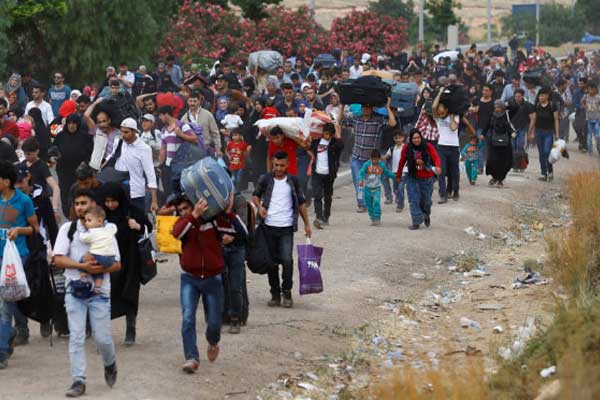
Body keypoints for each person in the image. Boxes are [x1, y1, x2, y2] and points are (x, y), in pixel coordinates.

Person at [53, 188, 120, 397]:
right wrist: (83, 268)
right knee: (77, 336)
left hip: (100, 292)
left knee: (102, 338)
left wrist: (99, 269)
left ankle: (109, 363)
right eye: (77, 203)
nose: (80, 207)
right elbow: (58, 258)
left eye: (84, 203)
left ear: (93, 204)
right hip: (74, 291)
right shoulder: (68, 229)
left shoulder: (106, 230)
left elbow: (117, 264)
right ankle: (78, 381)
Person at [170, 195, 244, 373]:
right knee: (188, 318)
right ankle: (191, 358)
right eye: (180, 210)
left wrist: (229, 214)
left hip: (213, 278)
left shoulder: (214, 221)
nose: (183, 212)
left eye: (186, 208)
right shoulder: (184, 224)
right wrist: (192, 216)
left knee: (214, 321)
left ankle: (213, 342)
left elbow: (242, 233)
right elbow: (176, 233)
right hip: (189, 278)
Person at [253, 151, 311, 308]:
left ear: (287, 165)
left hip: (286, 228)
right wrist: (259, 207)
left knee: (286, 260)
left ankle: (287, 292)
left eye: (282, 165)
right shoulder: (265, 179)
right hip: (268, 227)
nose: (278, 168)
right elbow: (255, 195)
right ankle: (275, 294)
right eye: (276, 165)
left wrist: (307, 224)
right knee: (271, 263)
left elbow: (301, 202)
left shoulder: (293, 181)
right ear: (272, 163)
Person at [101, 183, 151, 346]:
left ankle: (131, 328)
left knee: (130, 294)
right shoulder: (102, 214)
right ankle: (103, 333)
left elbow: (148, 227)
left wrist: (138, 226)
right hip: (109, 261)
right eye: (107, 201)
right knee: (107, 295)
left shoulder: (132, 211)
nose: (110, 205)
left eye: (113, 201)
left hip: (131, 260)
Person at [339, 97, 396, 212]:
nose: (366, 109)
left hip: (372, 160)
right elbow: (340, 121)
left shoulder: (378, 120)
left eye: (368, 107)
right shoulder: (356, 118)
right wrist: (342, 105)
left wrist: (388, 107)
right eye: (364, 107)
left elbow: (392, 123)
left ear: (371, 108)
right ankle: (361, 204)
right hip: (357, 157)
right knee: (358, 182)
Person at [107, 118, 158, 212]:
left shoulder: (144, 149)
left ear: (134, 131)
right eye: (121, 132)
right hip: (119, 191)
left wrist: (154, 201)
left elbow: (150, 174)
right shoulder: (119, 142)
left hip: (136, 192)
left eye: (126, 132)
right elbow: (111, 158)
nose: (123, 135)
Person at [396, 129, 441, 230]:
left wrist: (438, 166)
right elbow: (401, 162)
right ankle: (416, 222)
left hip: (427, 179)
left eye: (418, 138)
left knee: (426, 202)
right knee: (413, 199)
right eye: (414, 138)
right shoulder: (406, 148)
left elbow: (436, 157)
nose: (416, 140)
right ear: (410, 139)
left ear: (421, 137)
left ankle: (426, 215)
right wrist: (398, 175)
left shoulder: (428, 146)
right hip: (412, 177)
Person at [53, 113, 94, 216]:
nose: (72, 125)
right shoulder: (60, 136)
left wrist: (86, 163)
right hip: (64, 171)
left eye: (74, 123)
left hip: (79, 171)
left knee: (79, 192)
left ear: (78, 124)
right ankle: (68, 214)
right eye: (70, 123)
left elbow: (91, 153)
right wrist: (53, 157)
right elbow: (53, 150)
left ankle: (81, 213)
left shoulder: (85, 137)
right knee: (65, 192)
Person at [311, 122, 344, 229]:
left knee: (327, 196)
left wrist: (337, 131)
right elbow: (305, 145)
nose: (327, 136)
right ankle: (319, 217)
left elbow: (341, 146)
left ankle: (326, 216)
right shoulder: (316, 142)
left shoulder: (334, 143)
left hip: (329, 174)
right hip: (317, 173)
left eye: (329, 134)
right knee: (317, 195)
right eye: (325, 133)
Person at [21, 138, 61, 223]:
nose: (26, 156)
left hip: (41, 204)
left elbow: (55, 187)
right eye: (25, 154)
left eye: (29, 154)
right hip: (25, 204)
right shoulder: (22, 165)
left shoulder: (42, 166)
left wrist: (54, 209)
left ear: (37, 151)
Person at [79, 207, 118, 293]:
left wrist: (82, 230)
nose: (86, 223)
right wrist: (107, 224)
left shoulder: (92, 232)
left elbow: (82, 238)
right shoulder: (109, 229)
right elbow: (114, 227)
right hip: (111, 259)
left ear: (99, 221)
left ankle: (83, 276)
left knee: (82, 259)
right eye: (85, 221)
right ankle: (98, 287)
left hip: (99, 256)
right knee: (99, 271)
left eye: (89, 220)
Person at [432, 87, 460, 203]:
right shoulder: (437, 118)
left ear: (446, 109)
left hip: (454, 147)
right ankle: (443, 195)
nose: (439, 111)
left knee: (454, 171)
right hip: (441, 147)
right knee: (441, 171)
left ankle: (456, 191)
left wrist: (452, 116)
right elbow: (433, 107)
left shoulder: (455, 116)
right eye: (439, 110)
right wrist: (439, 92)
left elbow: (453, 127)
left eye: (441, 109)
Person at [357, 149, 396, 226]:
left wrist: (395, 177)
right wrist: (360, 180)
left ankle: (377, 218)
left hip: (377, 188)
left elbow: (387, 172)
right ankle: (372, 218)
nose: (375, 161)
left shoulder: (381, 165)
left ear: (379, 158)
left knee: (377, 202)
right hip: (367, 188)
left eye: (376, 159)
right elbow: (361, 173)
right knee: (369, 205)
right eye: (373, 159)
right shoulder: (367, 165)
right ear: (371, 158)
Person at [528, 87, 560, 182]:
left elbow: (556, 120)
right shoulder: (536, 106)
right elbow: (533, 120)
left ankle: (550, 171)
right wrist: (532, 133)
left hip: (548, 132)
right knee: (541, 153)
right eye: (540, 96)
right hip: (538, 132)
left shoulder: (552, 106)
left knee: (547, 152)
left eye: (542, 95)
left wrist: (557, 133)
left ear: (547, 96)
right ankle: (543, 173)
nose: (540, 97)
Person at [84, 97, 121, 171]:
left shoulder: (118, 133)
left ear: (109, 120)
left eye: (104, 121)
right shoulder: (97, 131)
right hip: (98, 166)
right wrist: (96, 103)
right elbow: (86, 116)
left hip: (115, 165)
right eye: (99, 122)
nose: (101, 125)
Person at [483, 100, 514, 187]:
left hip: (505, 143)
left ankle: (500, 179)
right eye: (495, 107)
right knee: (492, 160)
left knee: (504, 162)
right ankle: (494, 177)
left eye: (499, 107)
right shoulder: (492, 116)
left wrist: (506, 106)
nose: (497, 109)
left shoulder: (507, 115)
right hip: (493, 141)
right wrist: (483, 134)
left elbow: (515, 107)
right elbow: (487, 125)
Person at [384, 131, 409, 211]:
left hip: (404, 171)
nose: (398, 139)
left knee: (400, 188)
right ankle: (399, 198)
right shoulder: (392, 149)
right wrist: (378, 158)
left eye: (400, 137)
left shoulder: (406, 148)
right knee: (396, 188)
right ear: (394, 139)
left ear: (403, 138)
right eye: (396, 138)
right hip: (394, 172)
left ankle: (400, 205)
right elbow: (386, 157)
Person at [507, 88, 535, 158]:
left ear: (522, 96)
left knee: (520, 145)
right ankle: (513, 162)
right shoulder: (510, 103)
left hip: (522, 128)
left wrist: (531, 132)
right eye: (515, 96)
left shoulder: (527, 105)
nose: (517, 98)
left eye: (519, 96)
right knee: (512, 145)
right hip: (512, 128)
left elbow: (532, 119)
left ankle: (520, 162)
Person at [226, 128, 251, 193]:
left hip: (240, 165)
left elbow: (246, 152)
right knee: (233, 179)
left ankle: (237, 190)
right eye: (233, 135)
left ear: (240, 136)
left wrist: (246, 158)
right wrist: (229, 156)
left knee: (239, 179)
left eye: (236, 135)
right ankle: (233, 190)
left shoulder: (243, 144)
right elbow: (226, 151)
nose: (234, 137)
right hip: (232, 165)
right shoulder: (230, 144)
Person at [582, 82, 600, 156]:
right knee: (589, 137)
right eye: (589, 89)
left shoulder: (598, 97)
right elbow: (582, 102)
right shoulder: (585, 97)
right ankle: (590, 152)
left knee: (597, 136)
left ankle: (599, 150)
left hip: (597, 119)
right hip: (588, 119)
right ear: (588, 90)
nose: (591, 91)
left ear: (595, 90)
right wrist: (585, 106)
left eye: (593, 89)